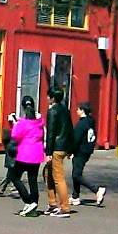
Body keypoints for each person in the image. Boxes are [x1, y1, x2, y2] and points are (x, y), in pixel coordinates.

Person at [8, 96, 45, 216]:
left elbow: (15, 136)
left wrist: (14, 123)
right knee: (32, 179)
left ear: (23, 108)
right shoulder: (39, 122)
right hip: (37, 154)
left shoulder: (23, 123)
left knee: (13, 176)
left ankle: (28, 200)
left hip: (25, 153)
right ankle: (34, 202)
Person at [43, 87, 75, 217]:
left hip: (56, 147)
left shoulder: (52, 111)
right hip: (64, 146)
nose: (47, 98)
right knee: (47, 173)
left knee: (58, 178)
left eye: (48, 96)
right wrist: (70, 148)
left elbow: (51, 132)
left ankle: (64, 207)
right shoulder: (65, 110)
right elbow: (70, 129)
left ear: (52, 97)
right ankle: (52, 204)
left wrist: (48, 152)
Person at [70, 102, 106, 207]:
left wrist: (71, 151)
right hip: (87, 150)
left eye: (78, 109)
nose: (76, 111)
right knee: (76, 172)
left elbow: (76, 139)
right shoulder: (91, 122)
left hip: (80, 151)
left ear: (82, 111)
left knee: (76, 175)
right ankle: (75, 196)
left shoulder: (81, 124)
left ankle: (96, 189)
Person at [0, 122, 17, 197]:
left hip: (11, 161)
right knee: (14, 175)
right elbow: (14, 150)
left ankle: (1, 188)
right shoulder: (12, 143)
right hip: (13, 161)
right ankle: (14, 190)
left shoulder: (8, 143)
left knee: (10, 175)